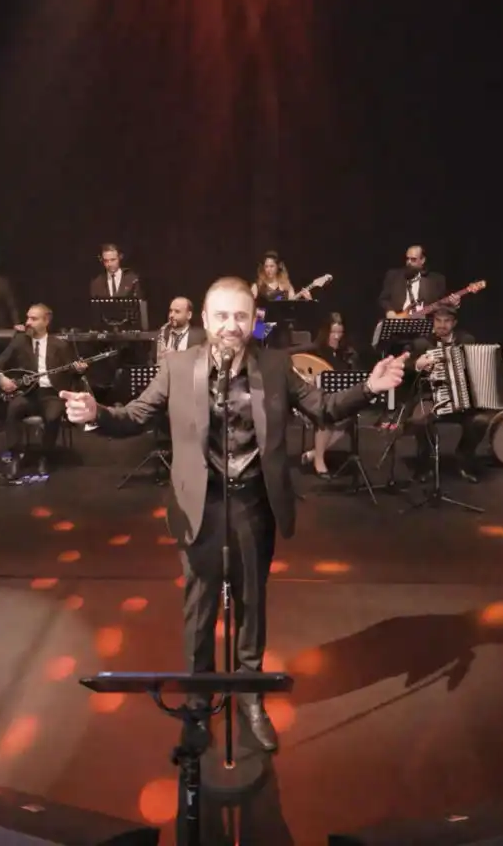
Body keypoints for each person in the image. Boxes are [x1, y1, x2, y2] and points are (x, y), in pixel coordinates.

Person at [61, 276, 407, 752]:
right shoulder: (177, 365)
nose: (231, 325)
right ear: (205, 320)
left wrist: (369, 387)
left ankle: (249, 696)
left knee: (251, 603)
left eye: (241, 316)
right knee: (200, 608)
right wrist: (96, 413)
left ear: (253, 320)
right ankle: (197, 704)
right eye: (222, 316)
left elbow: (323, 409)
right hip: (199, 504)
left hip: (252, 502)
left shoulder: (275, 365)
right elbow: (135, 416)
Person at [406, 306, 503, 483]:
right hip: (432, 398)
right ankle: (426, 462)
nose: (441, 325)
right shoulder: (423, 343)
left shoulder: (467, 340)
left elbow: (485, 365)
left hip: (464, 401)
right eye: (438, 321)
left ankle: (464, 456)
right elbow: (404, 364)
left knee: (481, 421)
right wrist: (418, 364)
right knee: (419, 420)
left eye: (446, 321)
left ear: (454, 323)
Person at [0, 304, 87, 479]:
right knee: (13, 410)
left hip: (51, 394)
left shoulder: (60, 345)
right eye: (27, 318)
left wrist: (79, 370)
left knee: (52, 416)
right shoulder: (20, 342)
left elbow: (72, 372)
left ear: (46, 321)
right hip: (28, 393)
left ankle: (45, 456)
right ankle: (16, 456)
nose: (28, 322)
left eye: (33, 319)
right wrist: (1, 378)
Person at [300, 312, 361, 478]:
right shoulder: (315, 350)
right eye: (333, 332)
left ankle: (314, 453)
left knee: (349, 415)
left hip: (337, 400)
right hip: (314, 401)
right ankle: (319, 461)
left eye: (340, 332)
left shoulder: (346, 353)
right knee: (327, 415)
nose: (336, 337)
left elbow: (351, 379)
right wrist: (308, 379)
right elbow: (299, 370)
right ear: (326, 332)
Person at [378, 245, 449, 318]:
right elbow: (383, 299)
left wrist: (453, 304)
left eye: (413, 259)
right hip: (399, 319)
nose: (409, 262)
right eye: (407, 259)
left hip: (424, 321)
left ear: (422, 260)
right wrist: (390, 311)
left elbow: (443, 306)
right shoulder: (393, 275)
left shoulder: (437, 279)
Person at [155, 297, 207, 363]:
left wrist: (178, 357)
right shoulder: (160, 335)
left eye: (177, 311)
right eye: (170, 311)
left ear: (189, 315)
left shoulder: (202, 338)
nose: (171, 315)